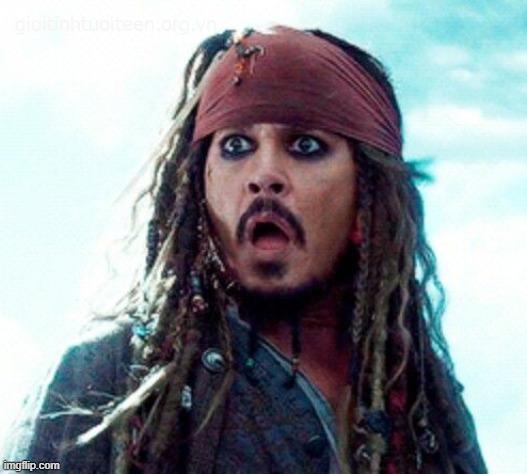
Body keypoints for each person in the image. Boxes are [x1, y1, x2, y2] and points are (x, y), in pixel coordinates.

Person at [4, 25, 486, 473]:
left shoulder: (426, 408)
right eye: (236, 146)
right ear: (201, 185)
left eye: (305, 145)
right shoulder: (105, 373)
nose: (264, 175)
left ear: (368, 194)